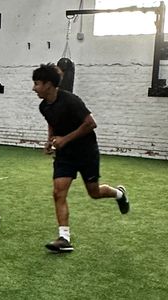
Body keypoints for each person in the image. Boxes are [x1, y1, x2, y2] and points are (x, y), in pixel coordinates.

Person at [32, 63, 130, 253]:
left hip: (86, 151)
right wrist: (49, 141)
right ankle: (64, 238)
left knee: (94, 192)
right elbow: (52, 123)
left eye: (37, 83)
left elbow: (91, 123)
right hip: (65, 155)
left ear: (49, 84)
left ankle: (119, 194)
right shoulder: (44, 106)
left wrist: (65, 139)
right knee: (58, 193)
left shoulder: (71, 101)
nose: (34, 88)